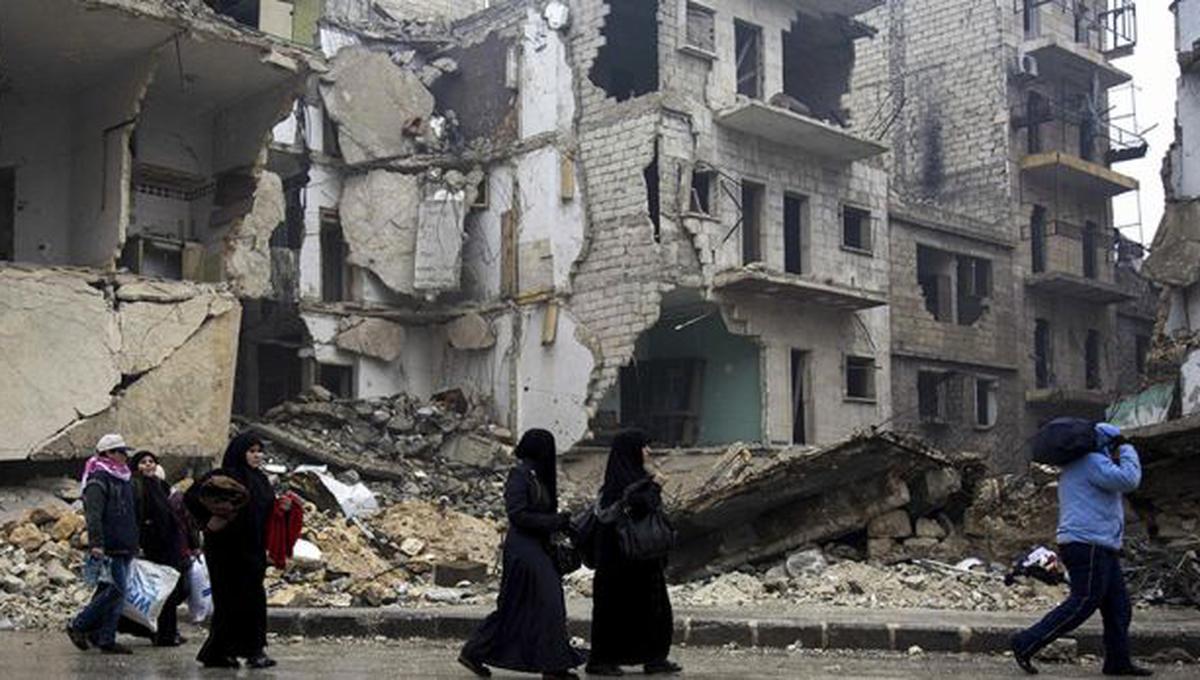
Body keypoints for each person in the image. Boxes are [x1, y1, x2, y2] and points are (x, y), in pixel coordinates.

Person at [1011, 423, 1153, 676]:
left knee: (1118, 607)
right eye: (1114, 445)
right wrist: (1128, 447)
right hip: (1087, 545)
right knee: (1083, 603)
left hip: (1099, 544)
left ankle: (1118, 661)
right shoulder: (1091, 462)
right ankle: (1026, 642)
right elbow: (1129, 480)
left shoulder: (1082, 463)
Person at [459, 429, 585, 679]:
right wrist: (554, 521)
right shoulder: (519, 475)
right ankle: (550, 665)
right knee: (538, 605)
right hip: (524, 550)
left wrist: (562, 523)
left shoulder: (536, 475)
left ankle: (553, 664)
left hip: (537, 548)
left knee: (536, 606)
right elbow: (518, 514)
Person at [586, 430, 680, 676]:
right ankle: (602, 661)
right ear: (631, 451)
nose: (648, 451)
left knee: (653, 611)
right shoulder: (618, 484)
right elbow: (639, 507)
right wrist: (655, 485)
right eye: (643, 446)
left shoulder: (636, 477)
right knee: (615, 613)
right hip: (619, 563)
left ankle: (654, 658)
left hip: (642, 560)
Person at [184, 433, 279, 669]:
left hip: (253, 549)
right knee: (229, 601)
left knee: (253, 600)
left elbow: (265, 510)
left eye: (259, 451)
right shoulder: (222, 476)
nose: (257, 456)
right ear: (240, 452)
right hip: (226, 550)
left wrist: (281, 507)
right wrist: (210, 519)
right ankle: (221, 652)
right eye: (252, 451)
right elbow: (191, 497)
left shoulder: (260, 480)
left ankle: (252, 650)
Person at [66, 433, 139, 655]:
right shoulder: (98, 479)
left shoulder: (123, 478)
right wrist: (97, 543)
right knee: (116, 590)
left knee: (111, 590)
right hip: (110, 545)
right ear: (108, 453)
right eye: (120, 452)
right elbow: (94, 514)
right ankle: (79, 625)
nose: (125, 457)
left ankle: (105, 637)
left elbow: (129, 514)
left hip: (125, 543)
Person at [116, 451, 191, 646]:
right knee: (160, 591)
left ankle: (168, 631)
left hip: (170, 546)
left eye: (151, 462)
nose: (148, 465)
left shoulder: (160, 485)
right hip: (153, 547)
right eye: (143, 462)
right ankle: (163, 634)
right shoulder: (136, 486)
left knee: (173, 590)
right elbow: (136, 517)